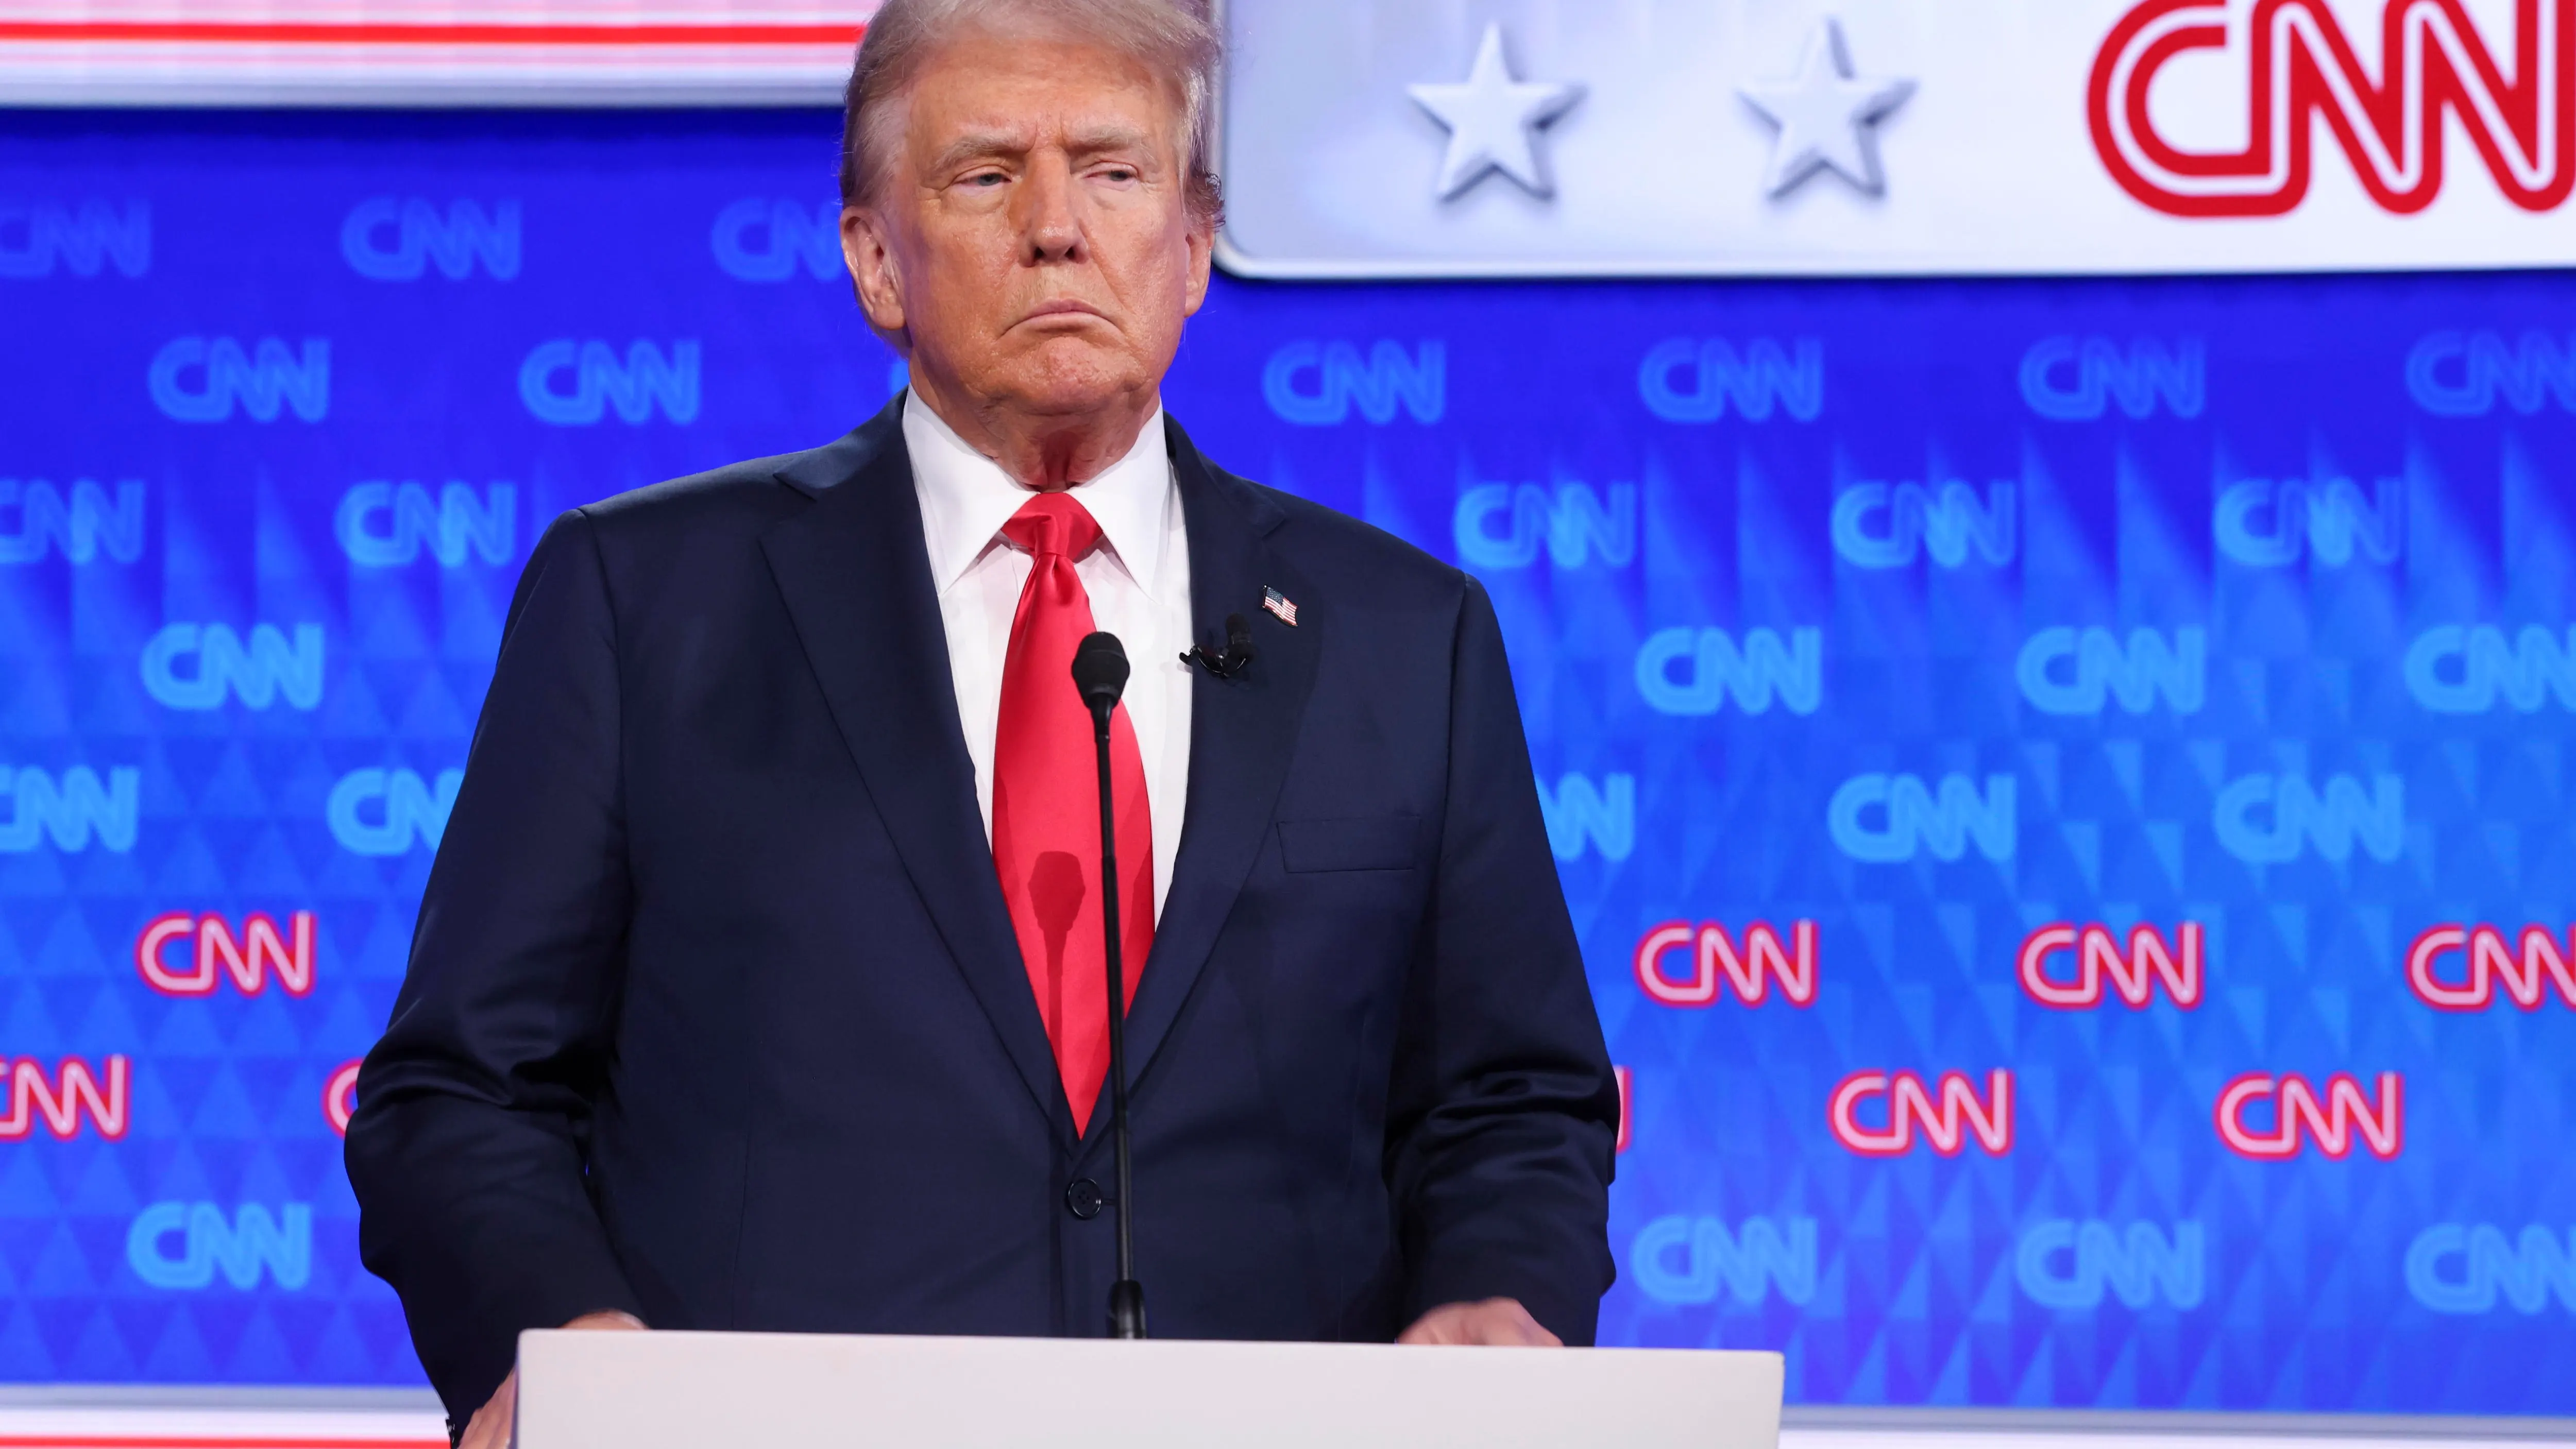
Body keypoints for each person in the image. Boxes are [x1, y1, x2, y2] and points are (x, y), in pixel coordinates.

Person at [342, 1, 1616, 1443]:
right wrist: (567, 1351)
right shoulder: (646, 603)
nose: (1058, 227)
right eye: (987, 174)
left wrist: (1497, 1293)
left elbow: (1513, 1097)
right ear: (877, 259)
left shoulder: (1405, 634)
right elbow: (462, 1087)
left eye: (1116, 171)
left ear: (1193, 247)